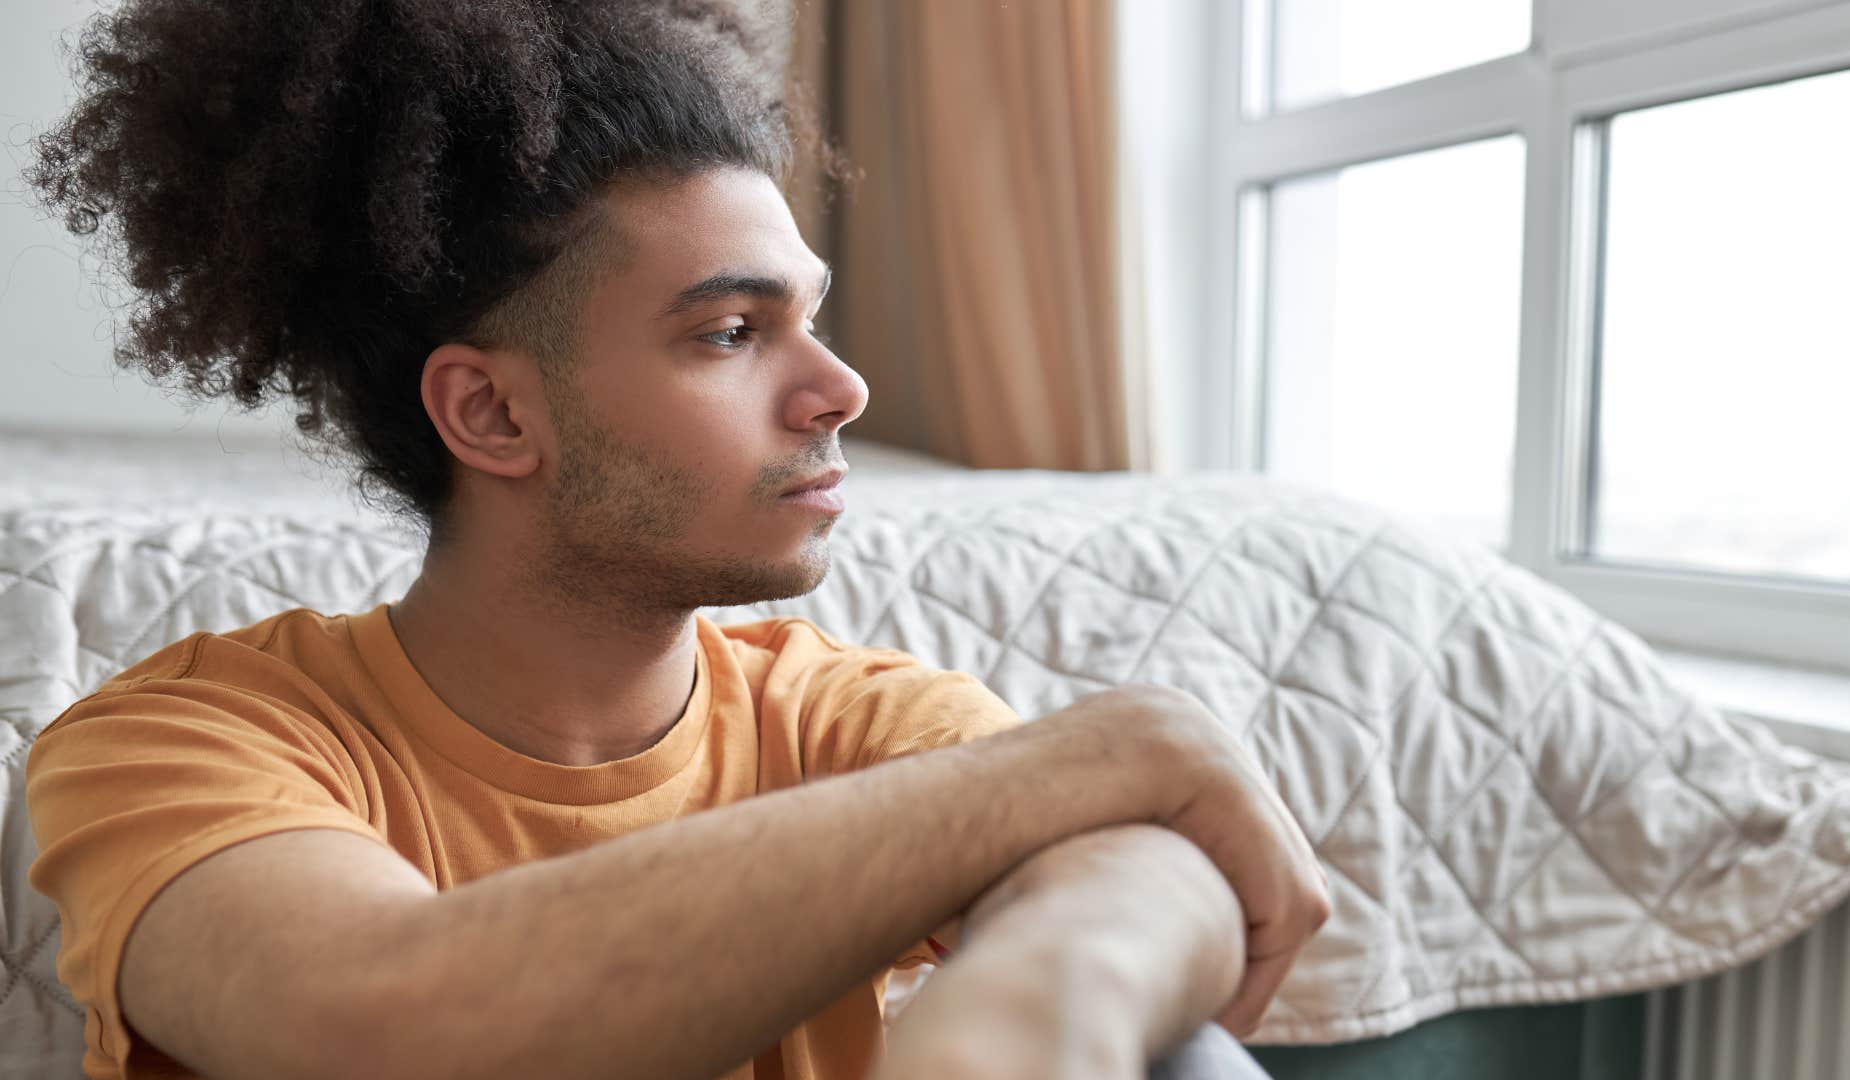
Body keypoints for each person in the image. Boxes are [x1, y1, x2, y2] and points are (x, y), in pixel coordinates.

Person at [22, 2, 1330, 1078]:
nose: (840, 391)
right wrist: (1102, 757)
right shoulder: (176, 743)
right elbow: (381, 1021)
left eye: (810, 317)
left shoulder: (847, 718)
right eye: (729, 333)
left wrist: (1011, 1025)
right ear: (490, 412)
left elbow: (1140, 877)